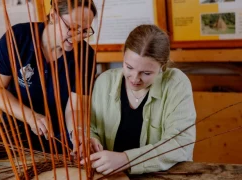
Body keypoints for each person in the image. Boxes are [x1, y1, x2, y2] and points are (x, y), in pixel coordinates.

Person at [82, 25, 196, 175]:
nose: (135, 78)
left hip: (160, 176)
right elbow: (91, 127)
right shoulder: (104, 82)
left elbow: (181, 143)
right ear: (123, 57)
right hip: (111, 176)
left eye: (146, 73)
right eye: (129, 67)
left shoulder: (176, 84)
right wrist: (91, 140)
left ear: (162, 66)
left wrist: (126, 160)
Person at [0, 0, 97, 153]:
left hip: (60, 140)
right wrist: (30, 117)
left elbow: (76, 108)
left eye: (84, 31)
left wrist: (77, 133)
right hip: (16, 137)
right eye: (72, 28)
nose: (78, 37)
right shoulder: (17, 38)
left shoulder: (86, 56)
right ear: (53, 15)